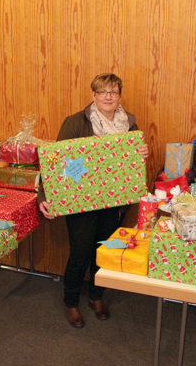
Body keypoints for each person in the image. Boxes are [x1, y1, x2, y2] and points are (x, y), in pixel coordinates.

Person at [39, 73, 149, 328]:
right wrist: (45, 195)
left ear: (120, 96)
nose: (108, 97)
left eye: (113, 92)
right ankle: (71, 301)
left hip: (113, 201)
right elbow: (54, 162)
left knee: (104, 248)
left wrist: (139, 155)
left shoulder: (129, 125)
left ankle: (96, 295)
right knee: (80, 252)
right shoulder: (76, 122)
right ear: (94, 96)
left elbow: (128, 166)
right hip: (80, 202)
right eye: (103, 92)